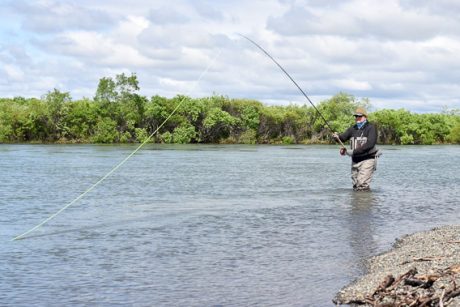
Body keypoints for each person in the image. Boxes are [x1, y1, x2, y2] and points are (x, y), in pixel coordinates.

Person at [332, 108, 380, 191]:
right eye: (356, 116)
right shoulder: (353, 128)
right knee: (355, 186)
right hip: (355, 160)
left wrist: (353, 152)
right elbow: (342, 138)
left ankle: (365, 203)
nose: (357, 118)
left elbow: (370, 144)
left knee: (362, 185)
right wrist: (337, 137)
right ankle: (356, 203)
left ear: (365, 117)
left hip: (368, 159)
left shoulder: (371, 128)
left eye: (359, 116)